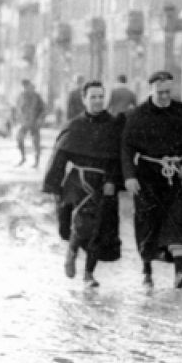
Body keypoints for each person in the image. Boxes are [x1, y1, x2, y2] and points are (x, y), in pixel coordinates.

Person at [121, 71, 182, 292]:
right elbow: (126, 148)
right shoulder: (136, 117)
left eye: (167, 92)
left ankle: (179, 272)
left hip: (178, 176)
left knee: (179, 220)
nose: (163, 97)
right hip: (148, 177)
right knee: (148, 223)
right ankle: (147, 272)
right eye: (159, 92)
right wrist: (130, 176)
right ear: (150, 89)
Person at [42, 80, 124, 287]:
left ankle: (89, 274)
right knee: (82, 223)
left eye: (100, 97)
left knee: (100, 228)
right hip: (78, 181)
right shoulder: (75, 125)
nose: (97, 101)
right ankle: (72, 251)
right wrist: (53, 185)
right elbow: (59, 156)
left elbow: (118, 158)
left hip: (104, 182)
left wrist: (113, 181)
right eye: (93, 97)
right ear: (84, 100)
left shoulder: (113, 125)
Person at [14, 79, 46, 167]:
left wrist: (40, 119)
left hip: (34, 122)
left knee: (36, 142)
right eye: (24, 87)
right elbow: (17, 109)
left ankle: (37, 161)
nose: (25, 88)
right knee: (19, 139)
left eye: (27, 86)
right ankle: (23, 157)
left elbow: (43, 109)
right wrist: (18, 119)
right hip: (24, 123)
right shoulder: (21, 96)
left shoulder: (37, 96)